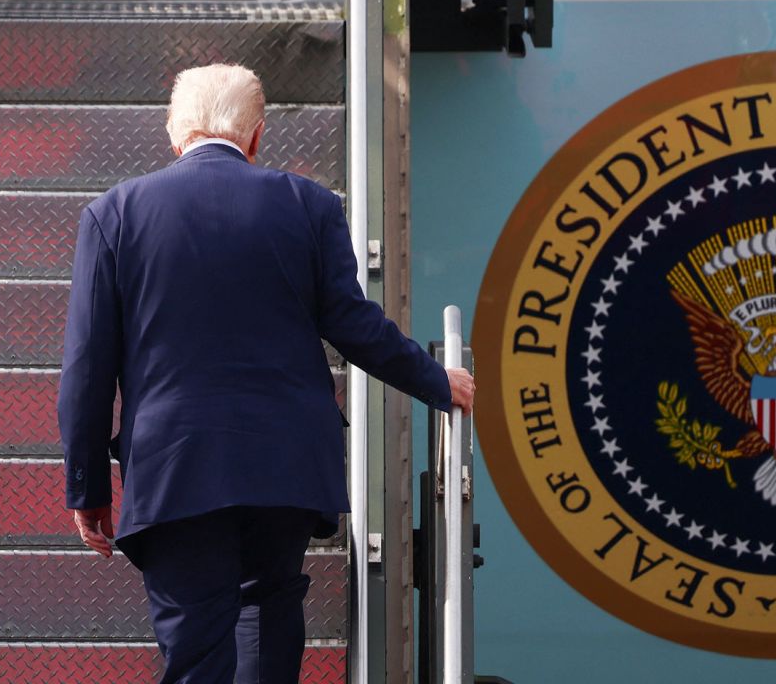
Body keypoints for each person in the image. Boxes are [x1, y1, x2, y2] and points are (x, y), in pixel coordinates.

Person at [57, 63, 475, 684]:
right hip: (284, 466)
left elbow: (88, 368)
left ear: (175, 134)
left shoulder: (114, 214)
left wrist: (86, 487)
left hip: (176, 469)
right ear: (256, 136)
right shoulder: (309, 205)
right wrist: (437, 380)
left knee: (196, 652)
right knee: (268, 623)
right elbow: (352, 323)